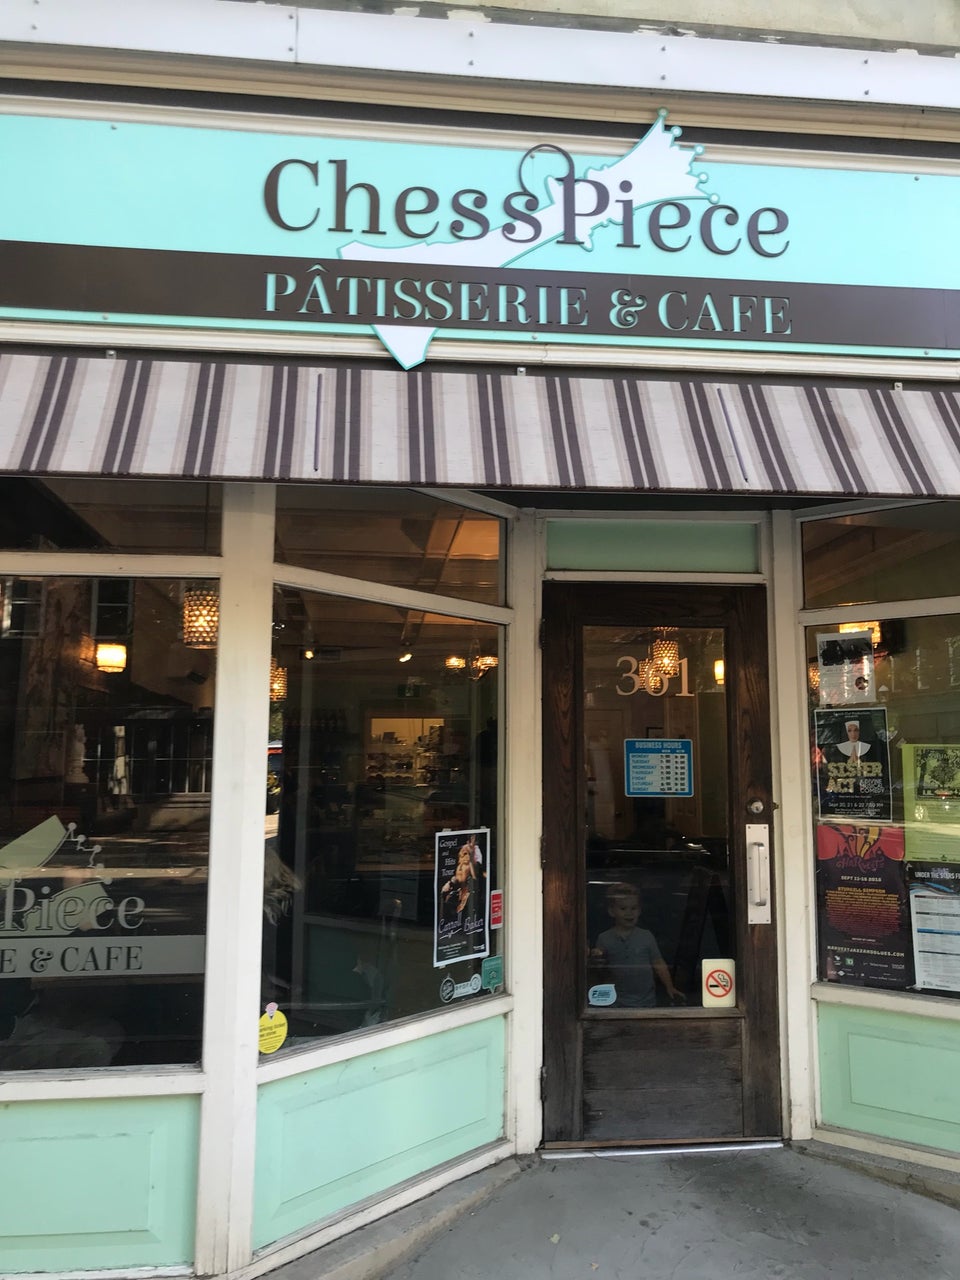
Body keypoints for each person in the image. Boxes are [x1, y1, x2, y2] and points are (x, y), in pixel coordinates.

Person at [592, 882, 683, 1008]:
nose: (629, 913)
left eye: (633, 908)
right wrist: (596, 958)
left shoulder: (646, 936)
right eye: (623, 908)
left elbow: (658, 963)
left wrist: (670, 987)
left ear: (639, 910)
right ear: (612, 911)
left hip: (646, 1002)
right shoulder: (604, 938)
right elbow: (600, 968)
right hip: (616, 1002)